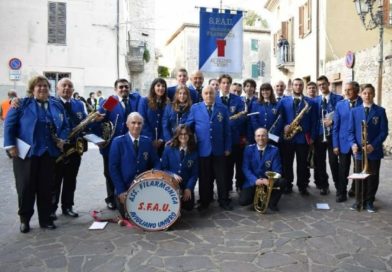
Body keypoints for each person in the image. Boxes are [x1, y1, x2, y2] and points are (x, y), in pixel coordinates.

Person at [3, 75, 69, 233]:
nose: (42, 88)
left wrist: (63, 139)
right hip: (26, 154)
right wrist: (10, 145)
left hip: (48, 153)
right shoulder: (22, 104)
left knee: (46, 188)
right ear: (32, 89)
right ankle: (24, 219)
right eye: (38, 86)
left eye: (45, 85)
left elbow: (65, 124)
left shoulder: (56, 104)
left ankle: (45, 219)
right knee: (25, 187)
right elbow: (9, 125)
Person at [186, 85, 233, 211]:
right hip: (202, 149)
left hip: (219, 149)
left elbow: (227, 130)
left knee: (221, 177)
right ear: (202, 95)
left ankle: (223, 200)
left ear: (215, 94)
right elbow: (188, 126)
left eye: (211, 93)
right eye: (206, 93)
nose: (208, 96)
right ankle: (204, 201)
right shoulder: (195, 108)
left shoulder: (222, 108)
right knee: (204, 178)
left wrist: (228, 147)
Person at [98, 79, 141, 210]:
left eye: (126, 87)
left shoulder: (135, 100)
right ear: (115, 89)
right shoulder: (111, 101)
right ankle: (111, 198)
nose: (124, 89)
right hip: (112, 144)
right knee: (110, 171)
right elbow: (98, 120)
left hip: (130, 143)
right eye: (121, 87)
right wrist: (100, 140)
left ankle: (128, 195)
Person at [109, 112, 161, 218]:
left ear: (142, 125)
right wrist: (121, 190)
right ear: (127, 124)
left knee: (152, 214)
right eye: (133, 123)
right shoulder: (118, 142)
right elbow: (113, 168)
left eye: (139, 123)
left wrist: (153, 176)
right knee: (128, 215)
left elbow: (156, 162)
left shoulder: (147, 142)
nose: (136, 126)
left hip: (145, 187)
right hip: (126, 188)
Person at [51, 78, 89, 220]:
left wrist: (91, 121)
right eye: (63, 86)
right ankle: (51, 209)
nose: (67, 88)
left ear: (73, 89)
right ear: (57, 89)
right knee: (55, 180)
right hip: (58, 148)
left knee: (70, 179)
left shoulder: (79, 104)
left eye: (70, 86)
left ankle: (67, 206)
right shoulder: (51, 103)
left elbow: (84, 122)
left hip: (74, 148)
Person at [348, 84, 388, 212]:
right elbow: (350, 131)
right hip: (359, 151)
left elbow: (384, 132)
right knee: (359, 176)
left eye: (370, 93)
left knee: (373, 177)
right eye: (365, 93)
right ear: (360, 94)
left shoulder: (380, 111)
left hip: (374, 151)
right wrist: (353, 144)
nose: (367, 95)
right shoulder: (354, 111)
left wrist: (373, 145)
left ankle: (370, 201)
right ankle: (358, 201)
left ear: (374, 94)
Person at [279, 78, 317, 195]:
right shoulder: (284, 101)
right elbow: (280, 117)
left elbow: (314, 121)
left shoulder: (310, 102)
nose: (298, 87)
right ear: (292, 87)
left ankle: (302, 186)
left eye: (300, 85)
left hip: (302, 138)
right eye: (296, 85)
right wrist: (285, 126)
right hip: (288, 137)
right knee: (287, 163)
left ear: (303, 87)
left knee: (302, 164)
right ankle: (287, 185)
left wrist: (312, 137)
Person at [240, 128, 286, 211]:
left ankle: (272, 203)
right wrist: (255, 180)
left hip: (267, 182)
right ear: (255, 137)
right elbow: (245, 168)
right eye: (258, 136)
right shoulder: (248, 149)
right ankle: (260, 199)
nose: (261, 138)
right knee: (243, 201)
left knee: (282, 181)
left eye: (263, 136)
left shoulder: (274, 150)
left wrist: (269, 180)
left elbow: (278, 170)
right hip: (254, 181)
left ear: (267, 137)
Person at [332, 81, 363, 202]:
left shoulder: (363, 103)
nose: (346, 92)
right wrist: (335, 145)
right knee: (343, 169)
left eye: (349, 90)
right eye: (345, 90)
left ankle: (355, 189)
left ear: (356, 90)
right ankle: (341, 192)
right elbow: (336, 126)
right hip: (343, 142)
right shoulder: (340, 105)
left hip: (359, 143)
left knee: (358, 168)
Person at [313, 76, 343, 195]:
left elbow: (341, 115)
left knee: (333, 162)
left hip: (333, 135)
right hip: (320, 135)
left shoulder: (339, 98)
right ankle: (324, 185)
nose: (322, 87)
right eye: (319, 85)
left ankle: (338, 186)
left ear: (328, 84)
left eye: (323, 84)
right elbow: (314, 119)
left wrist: (333, 121)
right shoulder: (315, 100)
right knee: (320, 162)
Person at [216, 74, 246, 193]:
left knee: (235, 164)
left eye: (228, 83)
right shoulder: (214, 98)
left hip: (234, 139)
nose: (226, 85)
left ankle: (237, 186)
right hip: (219, 140)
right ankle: (226, 189)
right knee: (224, 168)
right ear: (219, 84)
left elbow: (242, 117)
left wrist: (227, 124)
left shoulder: (238, 99)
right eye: (223, 83)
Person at [161, 125, 198, 211]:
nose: (183, 136)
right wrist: (172, 175)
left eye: (186, 134)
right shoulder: (169, 149)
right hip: (171, 184)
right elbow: (163, 168)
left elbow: (194, 174)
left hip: (185, 185)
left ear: (189, 135)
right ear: (177, 136)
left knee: (188, 207)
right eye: (180, 134)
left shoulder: (194, 152)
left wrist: (189, 188)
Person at [138, 78, 168, 157]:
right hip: (147, 139)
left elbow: (167, 122)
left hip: (162, 142)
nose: (161, 88)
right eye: (158, 85)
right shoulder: (144, 101)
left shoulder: (167, 103)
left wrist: (161, 139)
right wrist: (151, 139)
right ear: (153, 87)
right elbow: (142, 121)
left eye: (163, 86)